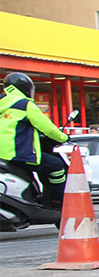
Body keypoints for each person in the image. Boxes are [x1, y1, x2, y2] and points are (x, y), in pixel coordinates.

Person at [0, 73, 69, 209]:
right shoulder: (25, 105)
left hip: (3, 155)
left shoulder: (2, 102)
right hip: (17, 153)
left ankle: (32, 197)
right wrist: (64, 137)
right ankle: (57, 202)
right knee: (56, 165)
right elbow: (48, 128)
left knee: (28, 170)